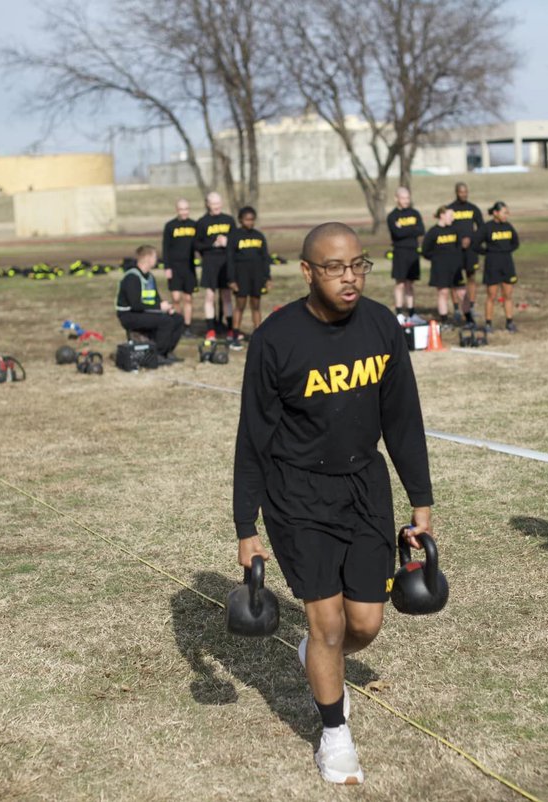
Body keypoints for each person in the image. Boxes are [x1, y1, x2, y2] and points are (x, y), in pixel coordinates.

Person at [233, 221, 434, 784]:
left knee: (364, 623)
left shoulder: (380, 325)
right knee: (326, 622)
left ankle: (314, 653)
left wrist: (421, 500)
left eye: (358, 265)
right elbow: (253, 436)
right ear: (307, 272)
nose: (350, 278)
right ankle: (335, 736)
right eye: (335, 268)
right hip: (296, 493)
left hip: (364, 486)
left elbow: (402, 418)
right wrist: (245, 524)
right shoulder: (275, 339)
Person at [116, 245, 185, 363]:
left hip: (144, 312)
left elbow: (156, 299)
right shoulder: (132, 277)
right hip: (129, 315)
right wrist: (159, 308)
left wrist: (167, 307)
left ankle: (167, 351)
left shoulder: (150, 277)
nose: (157, 259)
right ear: (147, 258)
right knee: (165, 321)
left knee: (177, 319)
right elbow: (135, 305)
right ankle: (156, 354)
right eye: (154, 256)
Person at [194, 192, 238, 345]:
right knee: (210, 297)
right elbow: (197, 245)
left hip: (227, 262)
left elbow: (237, 240)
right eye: (214, 203)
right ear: (208, 204)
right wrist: (212, 245)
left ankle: (231, 329)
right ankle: (210, 330)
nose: (217, 206)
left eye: (219, 202)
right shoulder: (202, 222)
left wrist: (228, 242)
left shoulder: (229, 220)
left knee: (227, 296)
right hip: (210, 263)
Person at [226, 206, 272, 340]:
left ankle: (258, 335)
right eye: (247, 219)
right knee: (240, 305)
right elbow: (230, 259)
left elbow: (265, 258)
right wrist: (231, 279)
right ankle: (235, 335)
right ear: (240, 220)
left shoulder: (259, 236)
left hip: (256, 276)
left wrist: (267, 277)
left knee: (256, 305)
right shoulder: (234, 236)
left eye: (252, 220)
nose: (250, 222)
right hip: (241, 276)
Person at [475, 201, 520, 333]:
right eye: (504, 212)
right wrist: (488, 252)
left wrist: (506, 250)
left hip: (507, 263)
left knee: (508, 294)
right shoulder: (486, 227)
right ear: (495, 213)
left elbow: (515, 243)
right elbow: (475, 244)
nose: (507, 215)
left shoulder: (508, 226)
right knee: (491, 295)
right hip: (492, 264)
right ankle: (488, 324)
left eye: (507, 212)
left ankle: (509, 322)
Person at [386, 187, 425, 325]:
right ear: (396, 199)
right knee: (400, 283)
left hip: (413, 251)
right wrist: (410, 230)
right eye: (403, 198)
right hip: (400, 252)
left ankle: (412, 313)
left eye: (408, 198)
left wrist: (404, 230)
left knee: (410, 283)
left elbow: (421, 230)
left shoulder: (415, 213)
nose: (406, 201)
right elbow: (397, 234)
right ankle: (399, 313)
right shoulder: (392, 216)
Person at [421, 206, 463, 327]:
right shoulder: (433, 232)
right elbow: (425, 250)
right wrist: (437, 259)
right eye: (450, 216)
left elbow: (459, 246)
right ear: (442, 215)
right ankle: (444, 320)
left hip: (455, 267)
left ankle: (467, 318)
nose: (453, 218)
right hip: (440, 268)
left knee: (461, 292)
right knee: (443, 293)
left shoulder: (454, 229)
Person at [448, 182, 483, 326]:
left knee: (471, 277)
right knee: (454, 280)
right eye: (461, 192)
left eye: (466, 192)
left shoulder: (473, 209)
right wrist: (458, 240)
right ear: (456, 192)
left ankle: (471, 306)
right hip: (455, 250)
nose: (464, 194)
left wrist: (472, 239)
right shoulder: (451, 209)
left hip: (471, 251)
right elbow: (446, 227)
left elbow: (481, 228)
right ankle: (456, 308)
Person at [162, 198, 198, 330]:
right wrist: (167, 267)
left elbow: (199, 244)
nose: (184, 212)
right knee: (176, 298)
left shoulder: (194, 225)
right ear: (177, 210)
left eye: (186, 209)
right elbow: (165, 247)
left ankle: (187, 326)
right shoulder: (170, 226)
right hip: (174, 267)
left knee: (188, 298)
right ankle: (178, 324)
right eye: (181, 209)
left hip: (189, 267)